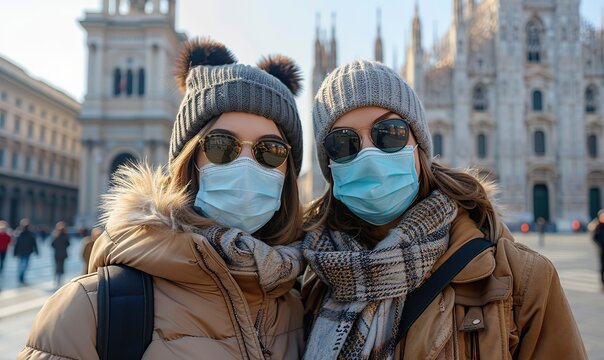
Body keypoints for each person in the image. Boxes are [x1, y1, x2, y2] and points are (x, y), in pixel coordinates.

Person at [19, 38, 306, 359]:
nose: (246, 165)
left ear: (288, 173)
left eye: (271, 150)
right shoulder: (89, 310)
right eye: (221, 145)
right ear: (188, 161)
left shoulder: (301, 303)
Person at [301, 60, 587, 359]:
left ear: (420, 145)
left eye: (390, 133)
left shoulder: (522, 281)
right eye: (343, 143)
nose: (369, 154)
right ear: (329, 165)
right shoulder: (309, 282)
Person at [13, 218, 38, 285]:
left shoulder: (28, 233)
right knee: (23, 265)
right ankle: (21, 278)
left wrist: (36, 250)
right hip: (24, 252)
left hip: (25, 252)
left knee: (23, 265)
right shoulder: (20, 233)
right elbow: (16, 244)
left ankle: (21, 277)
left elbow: (34, 243)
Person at [50, 221, 70, 287]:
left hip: (57, 254)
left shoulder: (55, 236)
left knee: (57, 266)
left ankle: (56, 278)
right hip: (63, 254)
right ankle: (60, 279)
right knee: (62, 266)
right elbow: (68, 244)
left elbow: (52, 244)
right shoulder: (65, 236)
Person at [591, 209, 604, 286]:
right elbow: (594, 237)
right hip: (602, 250)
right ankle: (602, 281)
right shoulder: (598, 226)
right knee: (602, 266)